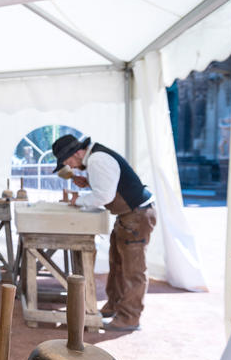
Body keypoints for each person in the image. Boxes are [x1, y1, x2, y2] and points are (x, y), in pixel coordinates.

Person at [52, 135, 156, 331]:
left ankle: (129, 318)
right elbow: (109, 186)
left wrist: (77, 201)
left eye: (68, 162)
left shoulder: (97, 159)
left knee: (132, 270)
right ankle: (114, 307)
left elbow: (104, 195)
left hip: (137, 216)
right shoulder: (95, 158)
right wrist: (87, 182)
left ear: (77, 153)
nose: (71, 167)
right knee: (117, 264)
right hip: (128, 216)